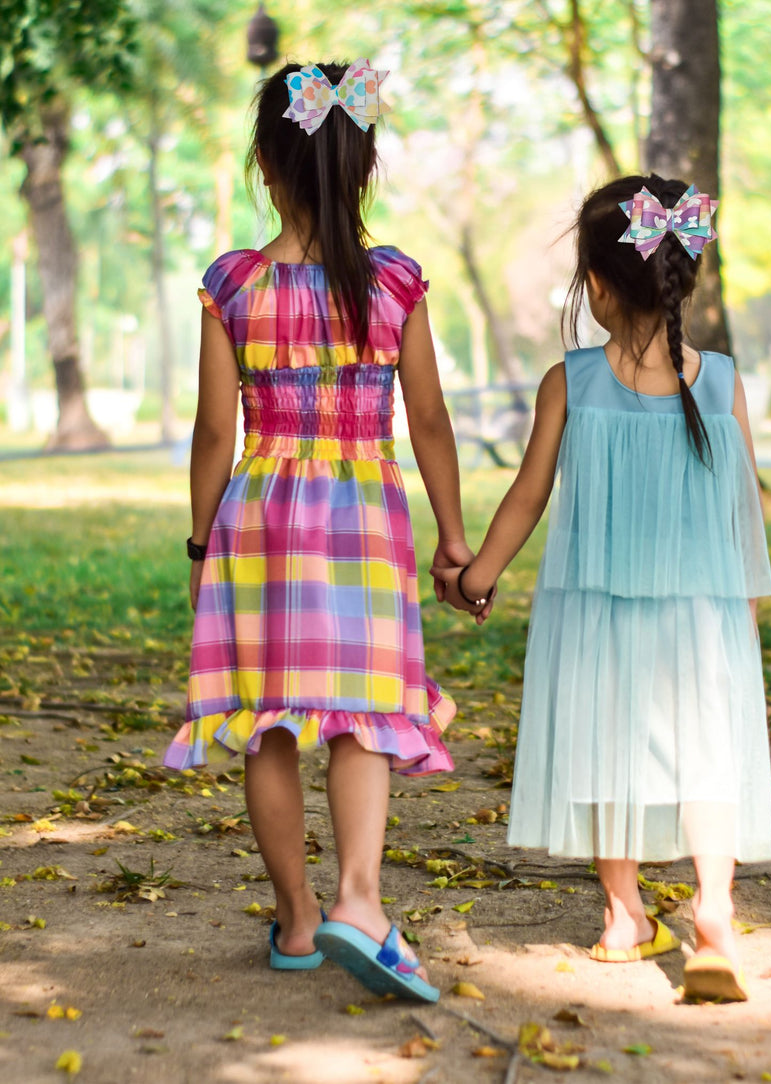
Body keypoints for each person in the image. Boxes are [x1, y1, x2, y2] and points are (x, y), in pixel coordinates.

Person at [164, 59, 470, 1004]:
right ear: (366, 165)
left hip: (258, 519)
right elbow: (428, 422)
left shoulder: (234, 284)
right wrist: (454, 539)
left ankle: (298, 918)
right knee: (362, 712)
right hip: (363, 515)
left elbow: (218, 430)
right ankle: (361, 900)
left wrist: (200, 543)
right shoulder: (395, 283)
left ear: (265, 162)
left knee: (268, 723)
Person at [435, 174, 771, 1002]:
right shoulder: (722, 381)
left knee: (604, 752)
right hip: (702, 617)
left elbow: (527, 496)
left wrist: (473, 576)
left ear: (595, 286)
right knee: (707, 761)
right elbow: (744, 509)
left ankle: (625, 915)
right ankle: (716, 918)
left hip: (594, 616)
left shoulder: (570, 382)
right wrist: (745, 616)